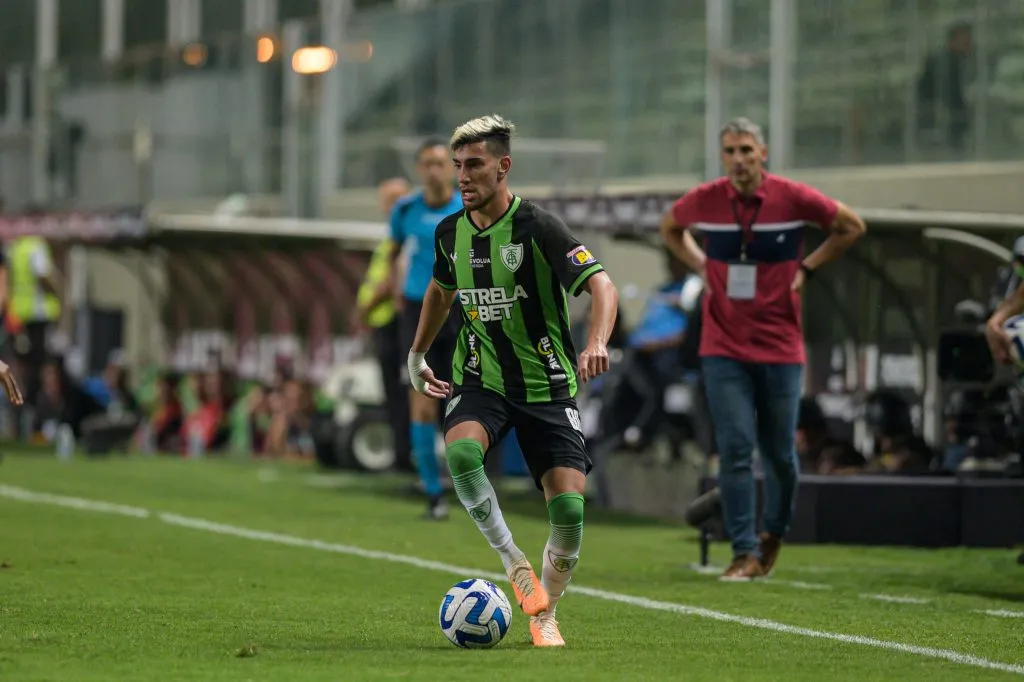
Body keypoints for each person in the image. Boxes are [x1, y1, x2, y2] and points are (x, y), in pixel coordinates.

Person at [406, 115, 619, 647]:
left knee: (569, 518)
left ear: (504, 167)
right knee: (460, 454)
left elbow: (603, 284)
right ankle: (513, 562)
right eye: (458, 166)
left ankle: (545, 612)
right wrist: (417, 353)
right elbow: (440, 290)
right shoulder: (449, 232)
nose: (462, 177)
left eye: (473, 165)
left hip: (547, 384)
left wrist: (597, 341)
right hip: (480, 377)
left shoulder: (538, 228)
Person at [660, 116, 866, 581]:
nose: (738, 160)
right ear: (722, 157)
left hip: (779, 347)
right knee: (734, 447)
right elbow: (671, 226)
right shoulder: (708, 199)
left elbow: (852, 226)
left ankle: (772, 534)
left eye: (747, 151)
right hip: (723, 347)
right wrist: (701, 265)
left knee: (779, 455)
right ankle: (743, 550)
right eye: (730, 151)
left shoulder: (792, 197)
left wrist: (808, 269)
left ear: (763, 154)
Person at [388, 138, 464, 520]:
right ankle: (434, 495)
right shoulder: (405, 210)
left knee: (464, 403)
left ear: (451, 168)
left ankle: (471, 488)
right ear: (419, 169)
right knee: (422, 404)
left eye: (440, 163)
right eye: (427, 164)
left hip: (461, 311)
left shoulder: (468, 208)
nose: (434, 170)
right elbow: (392, 252)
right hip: (419, 312)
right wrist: (397, 292)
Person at [356, 178, 413, 471]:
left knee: (402, 391)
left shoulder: (403, 238)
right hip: (385, 323)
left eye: (393, 200)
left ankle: (406, 455)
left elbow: (391, 282)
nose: (386, 206)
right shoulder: (391, 237)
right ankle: (402, 453)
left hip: (396, 322)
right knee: (395, 392)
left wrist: (365, 308)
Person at [6, 233, 61, 430]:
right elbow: (43, 275)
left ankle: (19, 418)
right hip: (38, 316)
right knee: (42, 368)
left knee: (20, 369)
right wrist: (59, 291)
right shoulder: (35, 246)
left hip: (17, 317)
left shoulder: (15, 248)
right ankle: (38, 418)